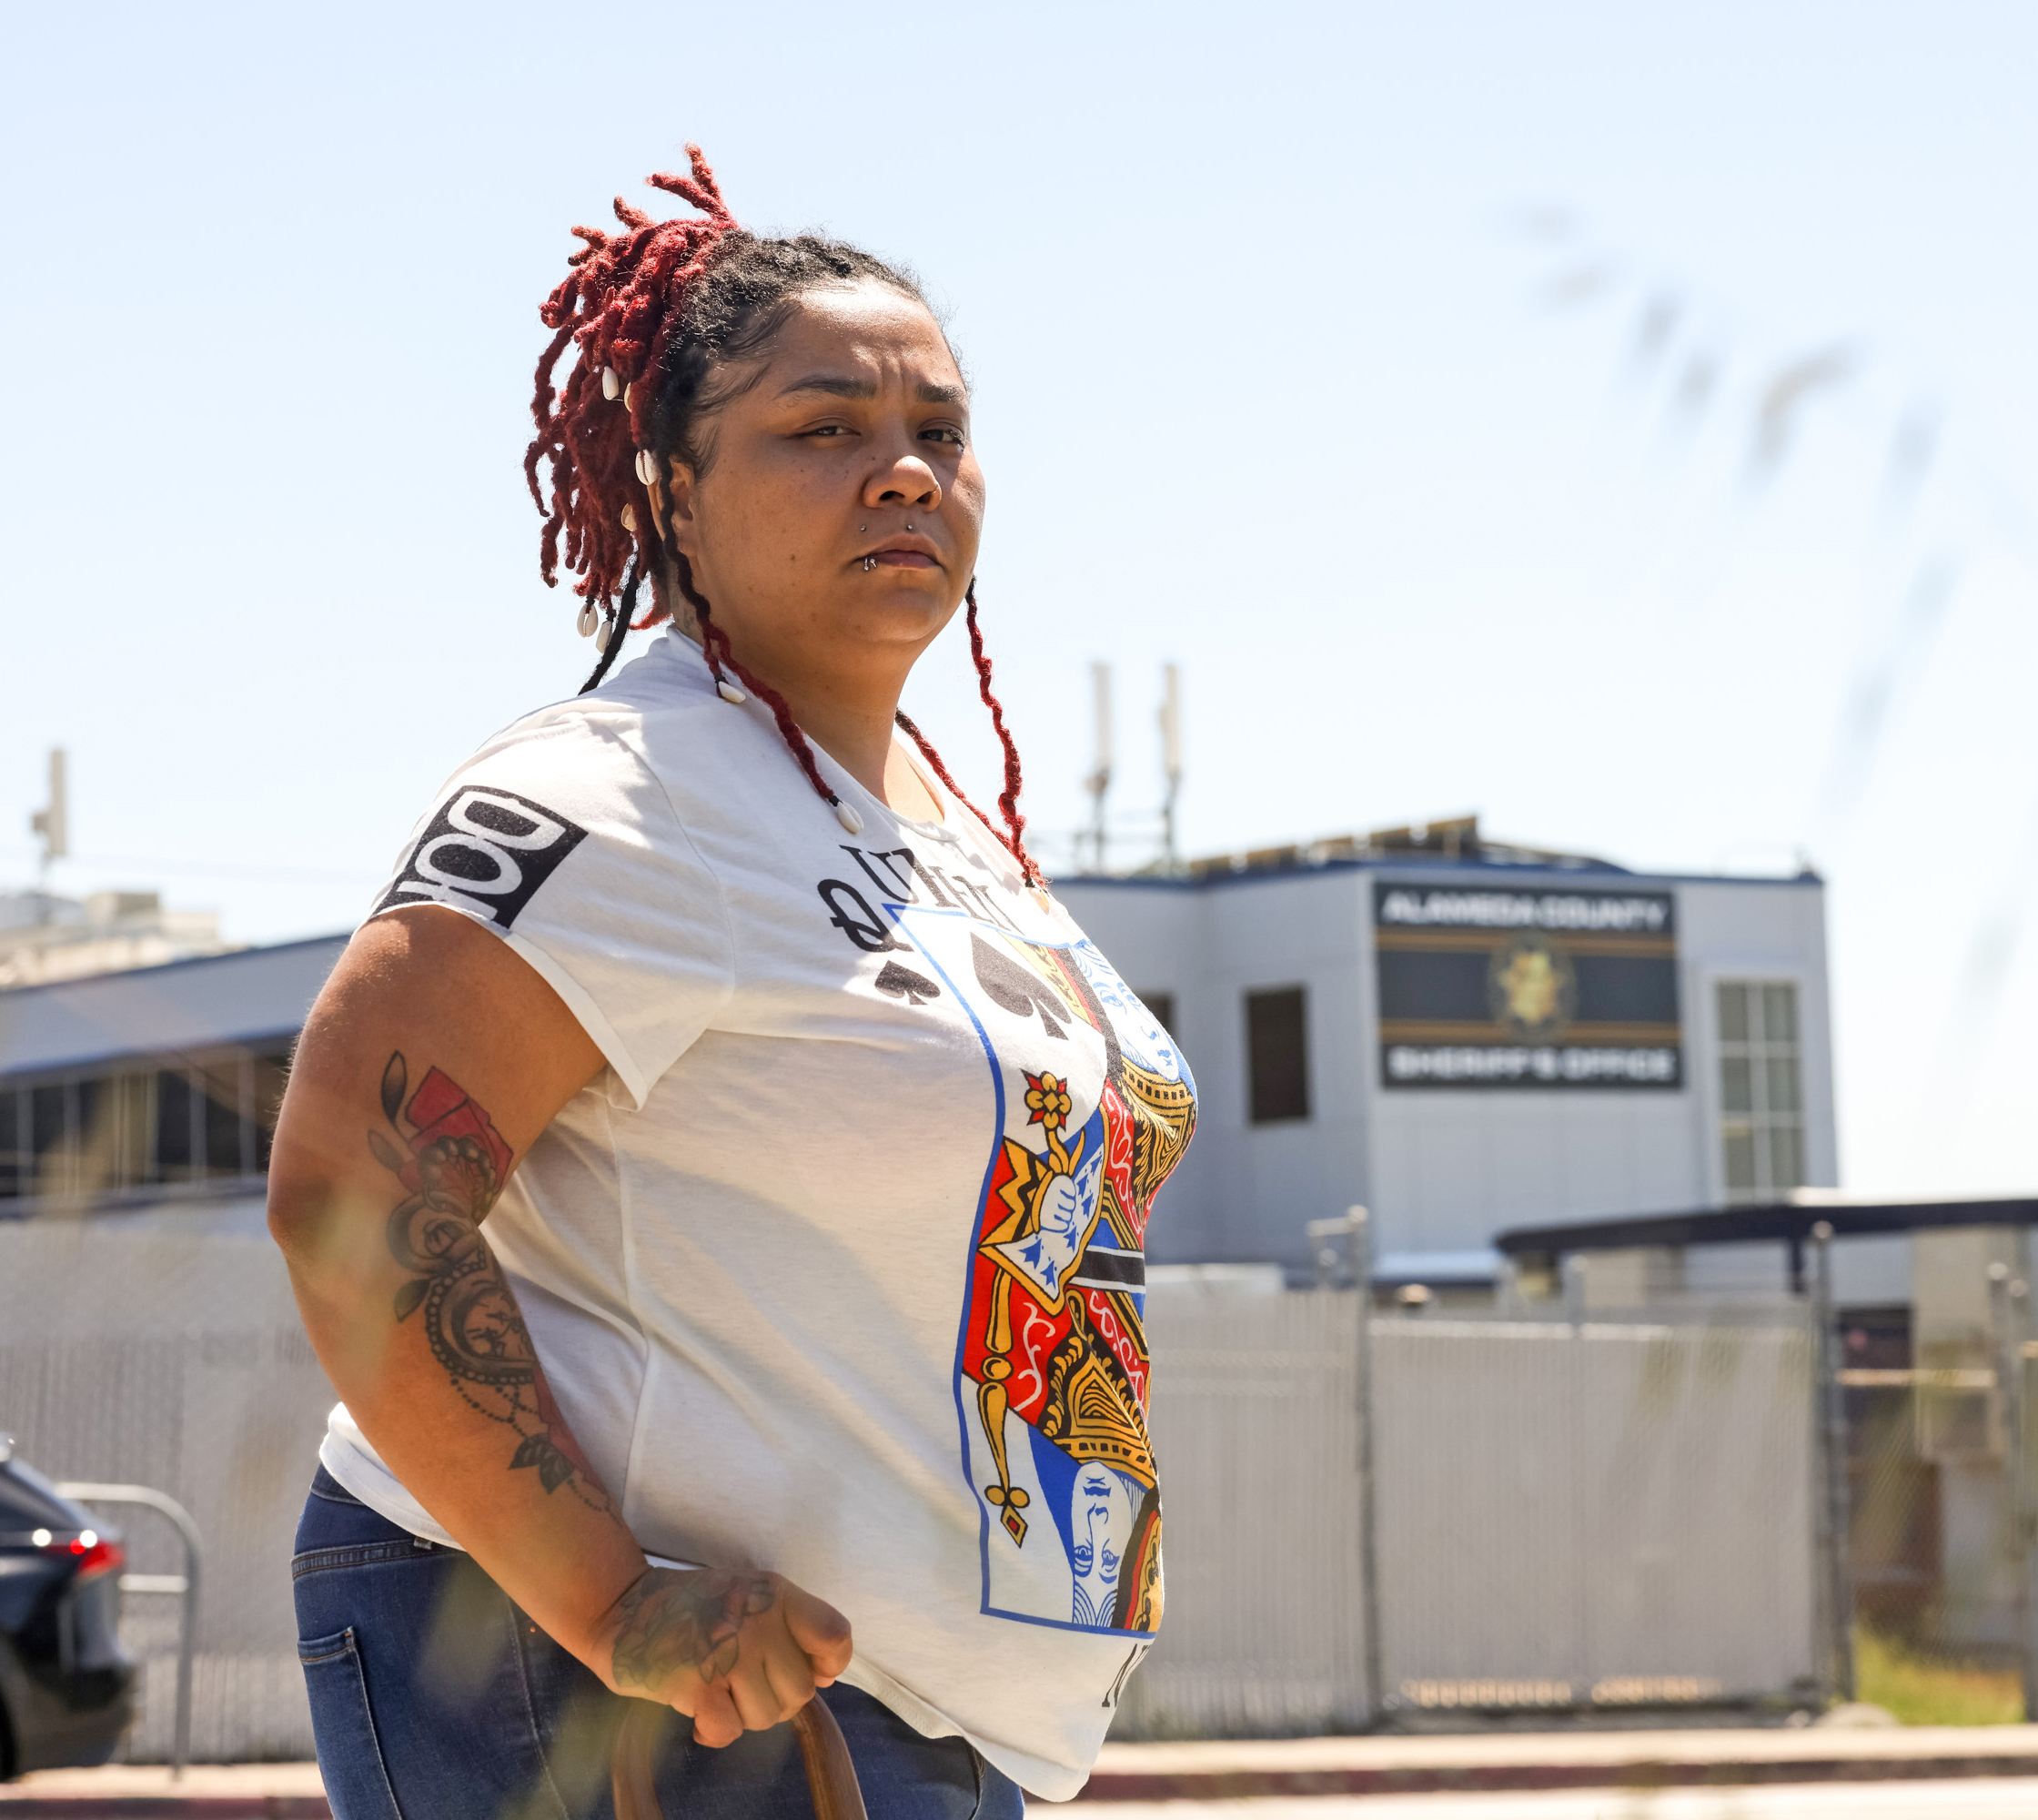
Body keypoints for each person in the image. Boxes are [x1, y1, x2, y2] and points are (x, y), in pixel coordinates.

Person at [268, 147, 1198, 1820]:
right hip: (657, 1706)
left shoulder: (935, 825)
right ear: (667, 491)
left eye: (940, 431)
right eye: (822, 428)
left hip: (924, 1721)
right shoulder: (619, 789)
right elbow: (351, 1179)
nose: (904, 473)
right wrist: (613, 1601)